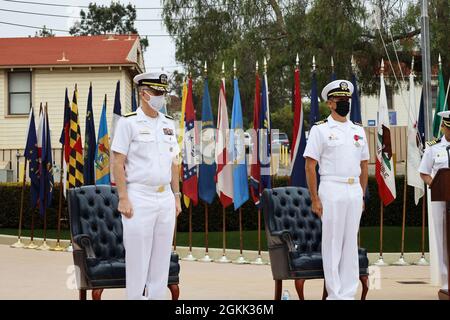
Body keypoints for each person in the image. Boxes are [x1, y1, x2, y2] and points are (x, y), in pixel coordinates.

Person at [111, 72, 182, 300]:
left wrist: (177, 196)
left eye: (163, 92)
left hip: (165, 199)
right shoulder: (128, 122)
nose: (161, 97)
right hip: (139, 196)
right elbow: (117, 161)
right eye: (157, 92)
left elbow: (174, 163)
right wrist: (123, 197)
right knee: (138, 260)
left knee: (161, 260)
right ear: (144, 93)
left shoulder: (169, 124)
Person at [303, 80, 369, 300]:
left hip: (353, 190)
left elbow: (364, 165)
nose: (345, 103)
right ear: (330, 103)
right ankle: (335, 294)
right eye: (340, 100)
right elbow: (310, 165)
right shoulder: (320, 129)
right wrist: (314, 198)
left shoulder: (357, 129)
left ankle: (348, 294)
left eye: (347, 100)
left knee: (350, 242)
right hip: (331, 188)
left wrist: (361, 194)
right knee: (332, 242)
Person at [419, 110, 450, 293]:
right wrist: (436, 185)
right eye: (448, 128)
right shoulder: (434, 147)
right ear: (443, 126)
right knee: (443, 241)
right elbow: (424, 172)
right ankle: (447, 284)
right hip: (441, 201)